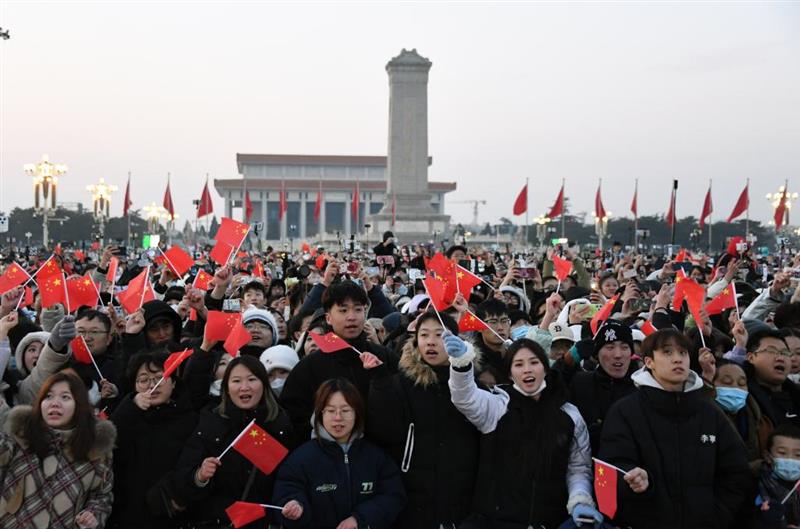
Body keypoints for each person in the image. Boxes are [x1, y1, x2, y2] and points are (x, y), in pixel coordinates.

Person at [599, 328, 750, 529]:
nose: (678, 359)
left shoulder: (709, 412)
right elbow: (612, 467)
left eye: (683, 353)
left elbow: (736, 471)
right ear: (649, 362)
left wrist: (717, 515)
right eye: (667, 352)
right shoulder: (625, 411)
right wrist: (637, 480)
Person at [447, 336, 600, 529]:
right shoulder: (497, 406)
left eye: (534, 362)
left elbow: (578, 468)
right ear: (510, 374)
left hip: (549, 522)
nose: (527, 369)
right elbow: (464, 397)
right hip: (494, 522)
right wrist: (461, 365)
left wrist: (580, 499)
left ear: (545, 368)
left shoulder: (569, 415)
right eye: (518, 364)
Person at [367, 312, 481, 529]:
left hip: (462, 497)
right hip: (412, 500)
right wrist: (380, 385)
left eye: (440, 335)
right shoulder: (400, 385)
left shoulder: (473, 387)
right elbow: (383, 431)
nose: (431, 341)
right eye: (424, 335)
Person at [174, 355, 295, 528]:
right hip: (217, 521)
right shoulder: (211, 422)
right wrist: (200, 477)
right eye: (236, 381)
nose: (244, 387)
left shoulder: (279, 425)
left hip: (262, 521)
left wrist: (291, 502)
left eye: (252, 379)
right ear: (226, 388)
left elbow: (290, 479)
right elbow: (182, 480)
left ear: (263, 384)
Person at [274, 378, 406, 529]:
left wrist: (360, 519)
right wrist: (295, 505)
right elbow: (286, 492)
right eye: (331, 411)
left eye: (345, 411)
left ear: (357, 413)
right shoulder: (300, 459)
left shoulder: (376, 457)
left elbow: (393, 496)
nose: (338, 418)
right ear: (320, 413)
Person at [0, 371, 116, 528]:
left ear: (79, 404)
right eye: (48, 396)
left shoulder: (95, 448)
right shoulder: (19, 436)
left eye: (65, 397)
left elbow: (102, 496)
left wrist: (93, 515)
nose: (55, 403)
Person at [281, 281, 395, 440]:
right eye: (343, 310)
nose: (352, 317)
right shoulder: (310, 365)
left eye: (358, 309)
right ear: (328, 318)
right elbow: (294, 413)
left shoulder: (383, 356)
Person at [108, 351, 199, 529]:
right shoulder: (127, 414)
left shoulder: (190, 420)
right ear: (134, 386)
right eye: (143, 380)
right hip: (129, 514)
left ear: (173, 383)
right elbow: (110, 444)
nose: (152, 385)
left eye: (160, 378)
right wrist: (130, 408)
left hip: (172, 513)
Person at [569, 320, 637, 455]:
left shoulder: (642, 389)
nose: (618, 355)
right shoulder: (580, 383)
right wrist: (568, 361)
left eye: (624, 347)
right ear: (597, 354)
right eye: (610, 347)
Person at [755, 424, 800, 529]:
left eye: (798, 455)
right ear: (767, 456)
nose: (790, 459)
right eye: (782, 453)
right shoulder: (754, 486)